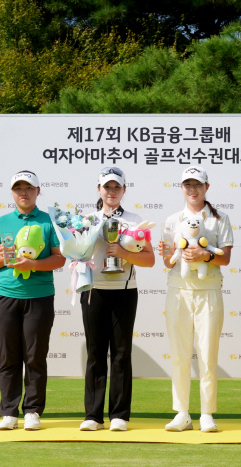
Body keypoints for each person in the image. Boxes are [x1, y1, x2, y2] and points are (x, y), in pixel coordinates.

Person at [0, 170, 65, 431]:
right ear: (12, 193)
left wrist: (34, 264)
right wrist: (8, 259)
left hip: (39, 297)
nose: (23, 192)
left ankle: (32, 411)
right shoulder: (0, 222)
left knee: (35, 357)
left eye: (28, 188)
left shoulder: (49, 222)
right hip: (6, 297)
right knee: (8, 357)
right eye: (18, 188)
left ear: (38, 191)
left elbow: (59, 258)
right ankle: (9, 411)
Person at [78, 167, 156, 432]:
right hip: (93, 291)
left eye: (116, 187)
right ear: (98, 189)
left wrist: (123, 252)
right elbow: (74, 251)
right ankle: (93, 415)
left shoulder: (135, 220)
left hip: (124, 291)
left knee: (121, 354)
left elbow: (149, 259)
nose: (111, 192)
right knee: (95, 352)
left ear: (124, 190)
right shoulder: (86, 219)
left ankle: (119, 415)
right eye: (107, 187)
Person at [158, 166, 233, 433]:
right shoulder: (172, 219)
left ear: (206, 187)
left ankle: (206, 413)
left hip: (209, 291)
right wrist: (166, 254)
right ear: (181, 188)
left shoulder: (219, 218)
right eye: (187, 185)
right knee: (179, 355)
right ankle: (182, 413)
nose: (193, 189)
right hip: (178, 291)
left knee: (207, 354)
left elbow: (225, 257)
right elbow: (169, 262)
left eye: (197, 184)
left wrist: (205, 256)